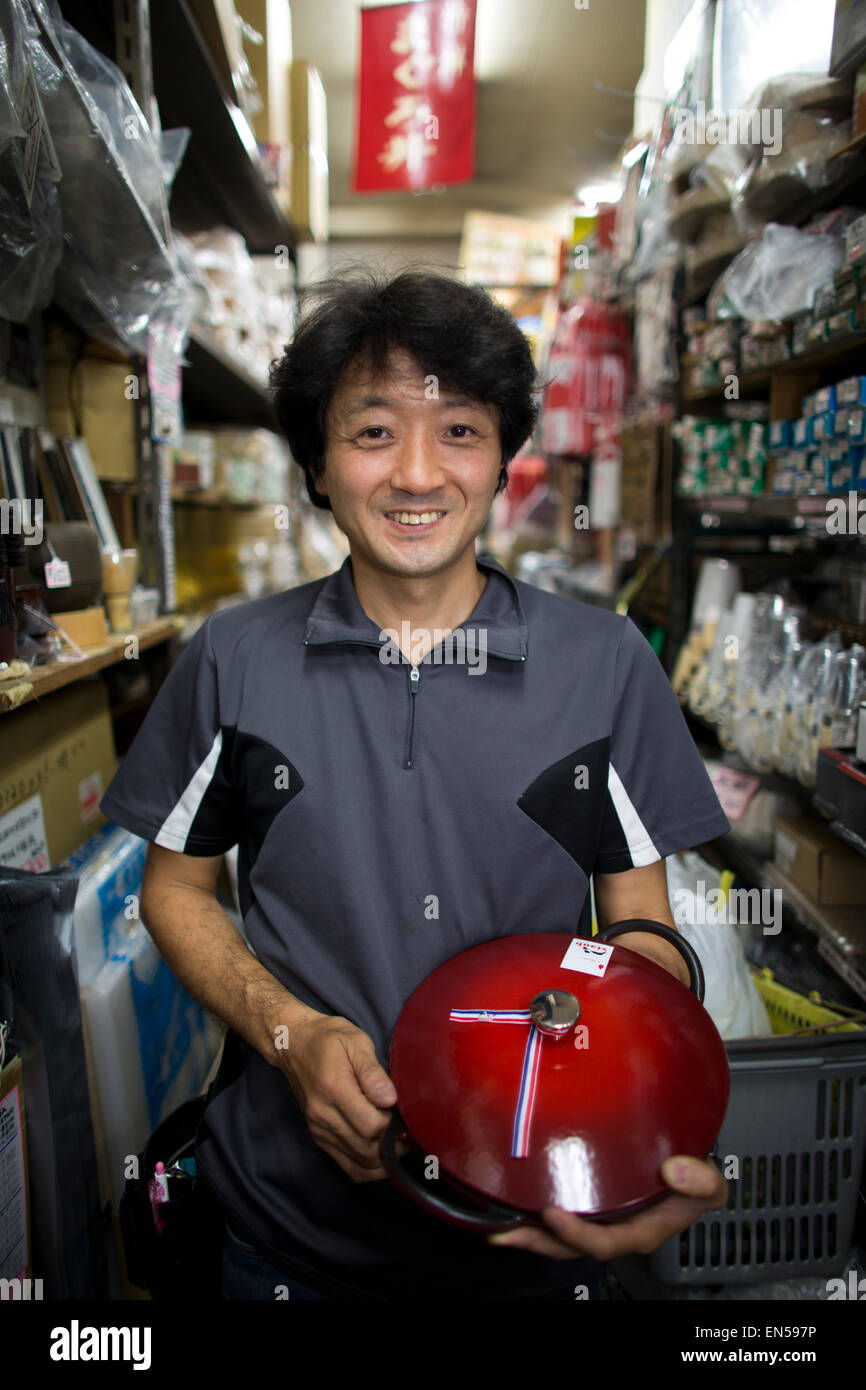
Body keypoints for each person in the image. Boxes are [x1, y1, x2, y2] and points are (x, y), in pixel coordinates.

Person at [99, 269, 731, 1302]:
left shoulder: (600, 663)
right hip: (284, 1234)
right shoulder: (234, 658)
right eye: (373, 432)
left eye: (460, 430)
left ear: (500, 457)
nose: (418, 474)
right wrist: (287, 1031)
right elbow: (173, 887)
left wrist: (644, 1115)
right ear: (316, 464)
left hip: (521, 1225)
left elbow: (638, 926)